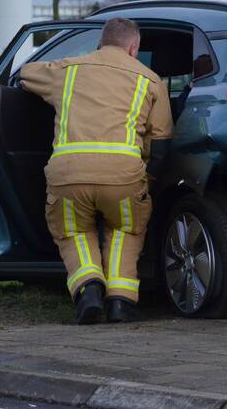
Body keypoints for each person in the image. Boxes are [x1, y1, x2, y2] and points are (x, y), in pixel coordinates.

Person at [20, 17, 173, 324]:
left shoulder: (68, 70)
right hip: (123, 176)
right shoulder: (151, 80)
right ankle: (120, 302)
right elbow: (161, 141)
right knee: (126, 230)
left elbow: (25, 74)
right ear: (134, 48)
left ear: (100, 43)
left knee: (74, 231)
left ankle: (88, 290)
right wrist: (147, 181)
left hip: (68, 175)